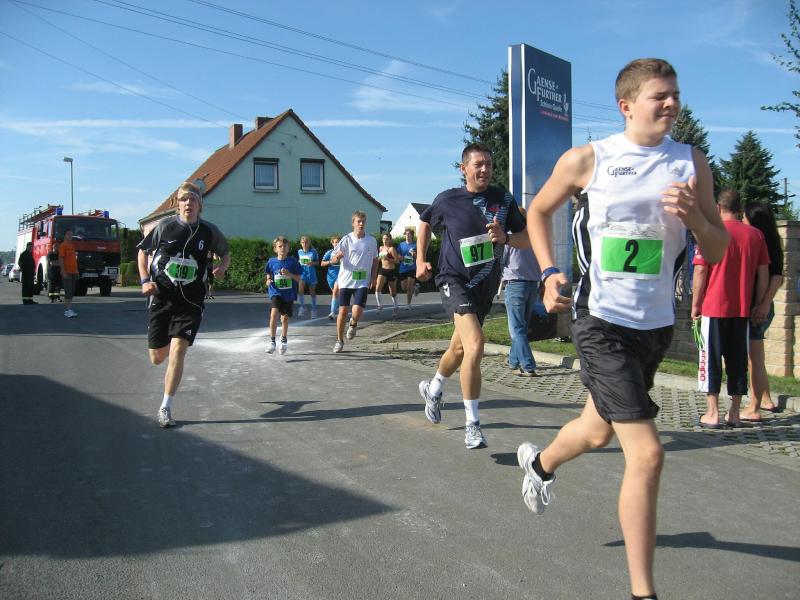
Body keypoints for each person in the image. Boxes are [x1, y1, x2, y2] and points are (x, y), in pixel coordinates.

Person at [519, 59, 729, 600]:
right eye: (660, 95)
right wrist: (548, 271)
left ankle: (540, 464)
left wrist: (696, 218)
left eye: (676, 94)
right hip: (600, 321)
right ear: (627, 105)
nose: (672, 104)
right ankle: (642, 592)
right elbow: (538, 212)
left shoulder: (691, 162)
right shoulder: (589, 159)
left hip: (654, 326)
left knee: (596, 432)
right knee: (648, 453)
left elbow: (718, 248)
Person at [416, 142, 528, 449]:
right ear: (463, 168)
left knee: (459, 348)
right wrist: (420, 260)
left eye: (489, 164)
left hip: (484, 287)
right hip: (453, 280)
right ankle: (472, 425)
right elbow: (424, 223)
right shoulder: (448, 199)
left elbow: (527, 239)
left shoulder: (503, 199)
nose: (485, 169)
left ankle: (433, 389)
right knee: (476, 344)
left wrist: (506, 237)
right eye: (478, 164)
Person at [137, 180, 230, 428]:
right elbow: (142, 252)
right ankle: (166, 341)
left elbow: (225, 253)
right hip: (162, 297)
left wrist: (222, 267)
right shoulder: (164, 227)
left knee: (178, 350)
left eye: (193, 199)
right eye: (183, 199)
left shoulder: (209, 231)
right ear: (177, 204)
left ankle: (165, 407)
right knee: (157, 358)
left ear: (200, 205)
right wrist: (145, 280)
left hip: (191, 301)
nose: (188, 203)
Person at [692, 190, 770, 428]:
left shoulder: (710, 233)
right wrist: (758, 303)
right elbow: (763, 273)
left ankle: (712, 413)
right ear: (740, 208)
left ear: (718, 208)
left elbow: (700, 270)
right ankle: (734, 412)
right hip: (742, 309)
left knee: (710, 359)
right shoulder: (756, 235)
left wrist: (696, 304)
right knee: (738, 361)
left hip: (713, 307)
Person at [740, 203, 785, 420]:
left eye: (745, 217)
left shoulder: (764, 243)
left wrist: (763, 304)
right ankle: (766, 399)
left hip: (757, 307)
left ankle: (753, 407)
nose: (742, 221)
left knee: (754, 360)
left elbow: (776, 278)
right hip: (761, 306)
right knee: (757, 357)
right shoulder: (771, 241)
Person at [502, 206, 541, 377]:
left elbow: (501, 259)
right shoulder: (534, 236)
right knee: (522, 327)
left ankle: (528, 365)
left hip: (515, 283)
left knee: (516, 328)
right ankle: (513, 360)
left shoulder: (511, 236)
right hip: (533, 284)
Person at [332, 210, 378, 353]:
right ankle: (339, 341)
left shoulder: (371, 240)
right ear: (353, 223)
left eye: (363, 221)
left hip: (362, 281)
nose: (361, 224)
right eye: (358, 221)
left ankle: (353, 323)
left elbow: (375, 260)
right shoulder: (346, 239)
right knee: (343, 311)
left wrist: (374, 277)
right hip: (346, 281)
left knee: (357, 311)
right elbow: (332, 259)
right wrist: (337, 257)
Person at [264, 236, 302, 355]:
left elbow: (298, 278)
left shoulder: (292, 262)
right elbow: (268, 273)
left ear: (288, 248)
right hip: (275, 292)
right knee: (273, 314)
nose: (282, 248)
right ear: (275, 249)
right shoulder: (271, 261)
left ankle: (284, 339)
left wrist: (289, 274)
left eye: (284, 246)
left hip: (288, 294)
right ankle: (272, 341)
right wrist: (268, 280)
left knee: (284, 318)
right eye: (280, 246)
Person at [375, 232, 400, 315]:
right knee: (377, 288)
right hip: (383, 270)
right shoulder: (381, 248)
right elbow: (379, 259)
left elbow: (397, 261)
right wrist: (378, 259)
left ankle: (396, 307)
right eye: (383, 239)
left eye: (386, 239)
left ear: (390, 240)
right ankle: (380, 305)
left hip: (391, 271)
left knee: (392, 292)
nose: (385, 240)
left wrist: (388, 259)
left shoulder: (391, 249)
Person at [296, 235, 319, 318]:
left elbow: (317, 262)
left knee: (312, 292)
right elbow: (299, 260)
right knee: (300, 290)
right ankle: (302, 307)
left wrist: (311, 263)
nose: (304, 244)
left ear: (309, 243)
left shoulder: (313, 251)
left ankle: (314, 309)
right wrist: (299, 262)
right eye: (303, 242)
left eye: (306, 242)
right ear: (301, 243)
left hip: (311, 274)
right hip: (302, 273)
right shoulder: (299, 251)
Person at [58, 229, 79, 318]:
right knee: (68, 291)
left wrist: (77, 271)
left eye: (71, 234)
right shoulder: (63, 246)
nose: (70, 236)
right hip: (67, 272)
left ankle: (70, 309)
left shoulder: (72, 245)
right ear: (65, 235)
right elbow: (61, 259)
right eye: (68, 234)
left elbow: (74, 260)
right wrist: (63, 271)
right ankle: (67, 310)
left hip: (73, 272)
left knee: (72, 291)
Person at [321, 235, 342, 320]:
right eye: (335, 242)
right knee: (336, 294)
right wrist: (330, 262)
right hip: (330, 276)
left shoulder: (344, 252)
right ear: (332, 243)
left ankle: (332, 312)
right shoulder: (329, 252)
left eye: (338, 242)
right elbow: (322, 263)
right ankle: (341, 309)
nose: (336, 244)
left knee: (336, 292)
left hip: (340, 275)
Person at [397, 227, 418, 309]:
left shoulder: (415, 245)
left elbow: (418, 256)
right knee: (403, 288)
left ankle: (408, 304)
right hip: (403, 268)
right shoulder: (401, 245)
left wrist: (414, 254)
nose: (407, 235)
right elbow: (398, 254)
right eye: (406, 234)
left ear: (412, 235)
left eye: (409, 234)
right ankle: (415, 287)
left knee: (409, 287)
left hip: (412, 268)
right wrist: (400, 257)